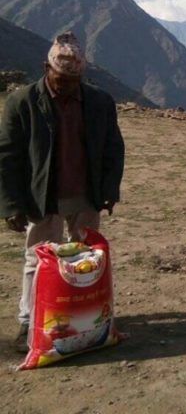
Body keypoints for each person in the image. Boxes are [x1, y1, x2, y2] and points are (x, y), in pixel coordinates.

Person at [0, 32, 124, 352]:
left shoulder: (99, 102)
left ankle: (83, 319)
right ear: (46, 68)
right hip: (42, 196)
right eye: (60, 79)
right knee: (38, 260)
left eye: (73, 81)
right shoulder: (22, 102)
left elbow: (113, 147)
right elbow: (7, 156)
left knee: (85, 260)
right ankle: (29, 321)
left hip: (86, 193)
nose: (66, 86)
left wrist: (109, 189)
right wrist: (11, 205)